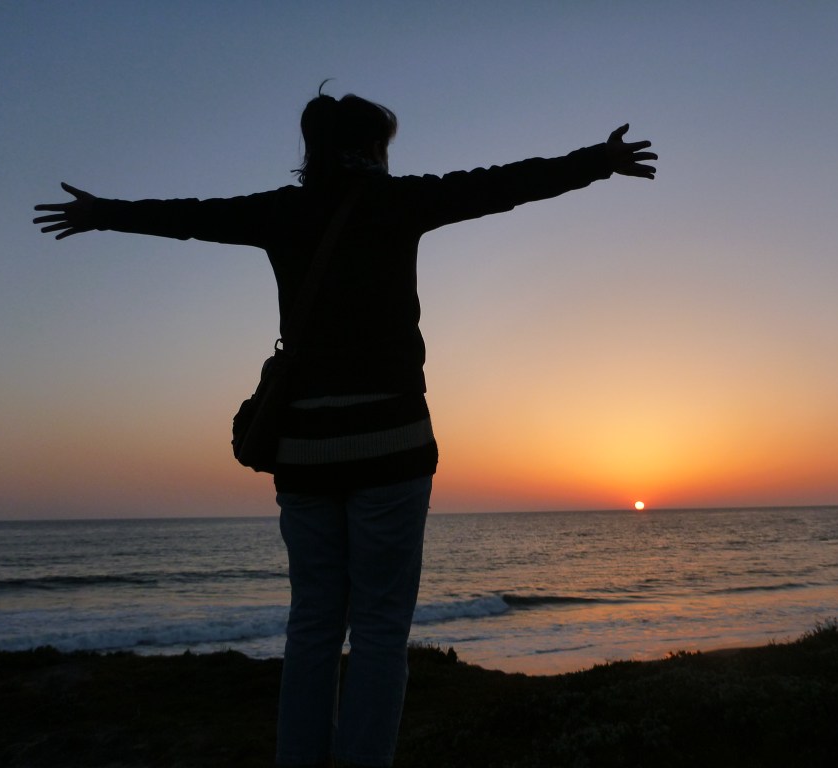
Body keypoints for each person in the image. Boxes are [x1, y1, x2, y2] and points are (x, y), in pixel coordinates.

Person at [34, 85, 657, 768]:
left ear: (313, 147)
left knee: (312, 628)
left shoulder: (284, 211)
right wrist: (599, 159)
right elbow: (504, 185)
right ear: (373, 147)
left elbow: (192, 217)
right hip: (391, 446)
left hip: (303, 453)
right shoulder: (399, 201)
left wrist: (103, 214)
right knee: (382, 632)